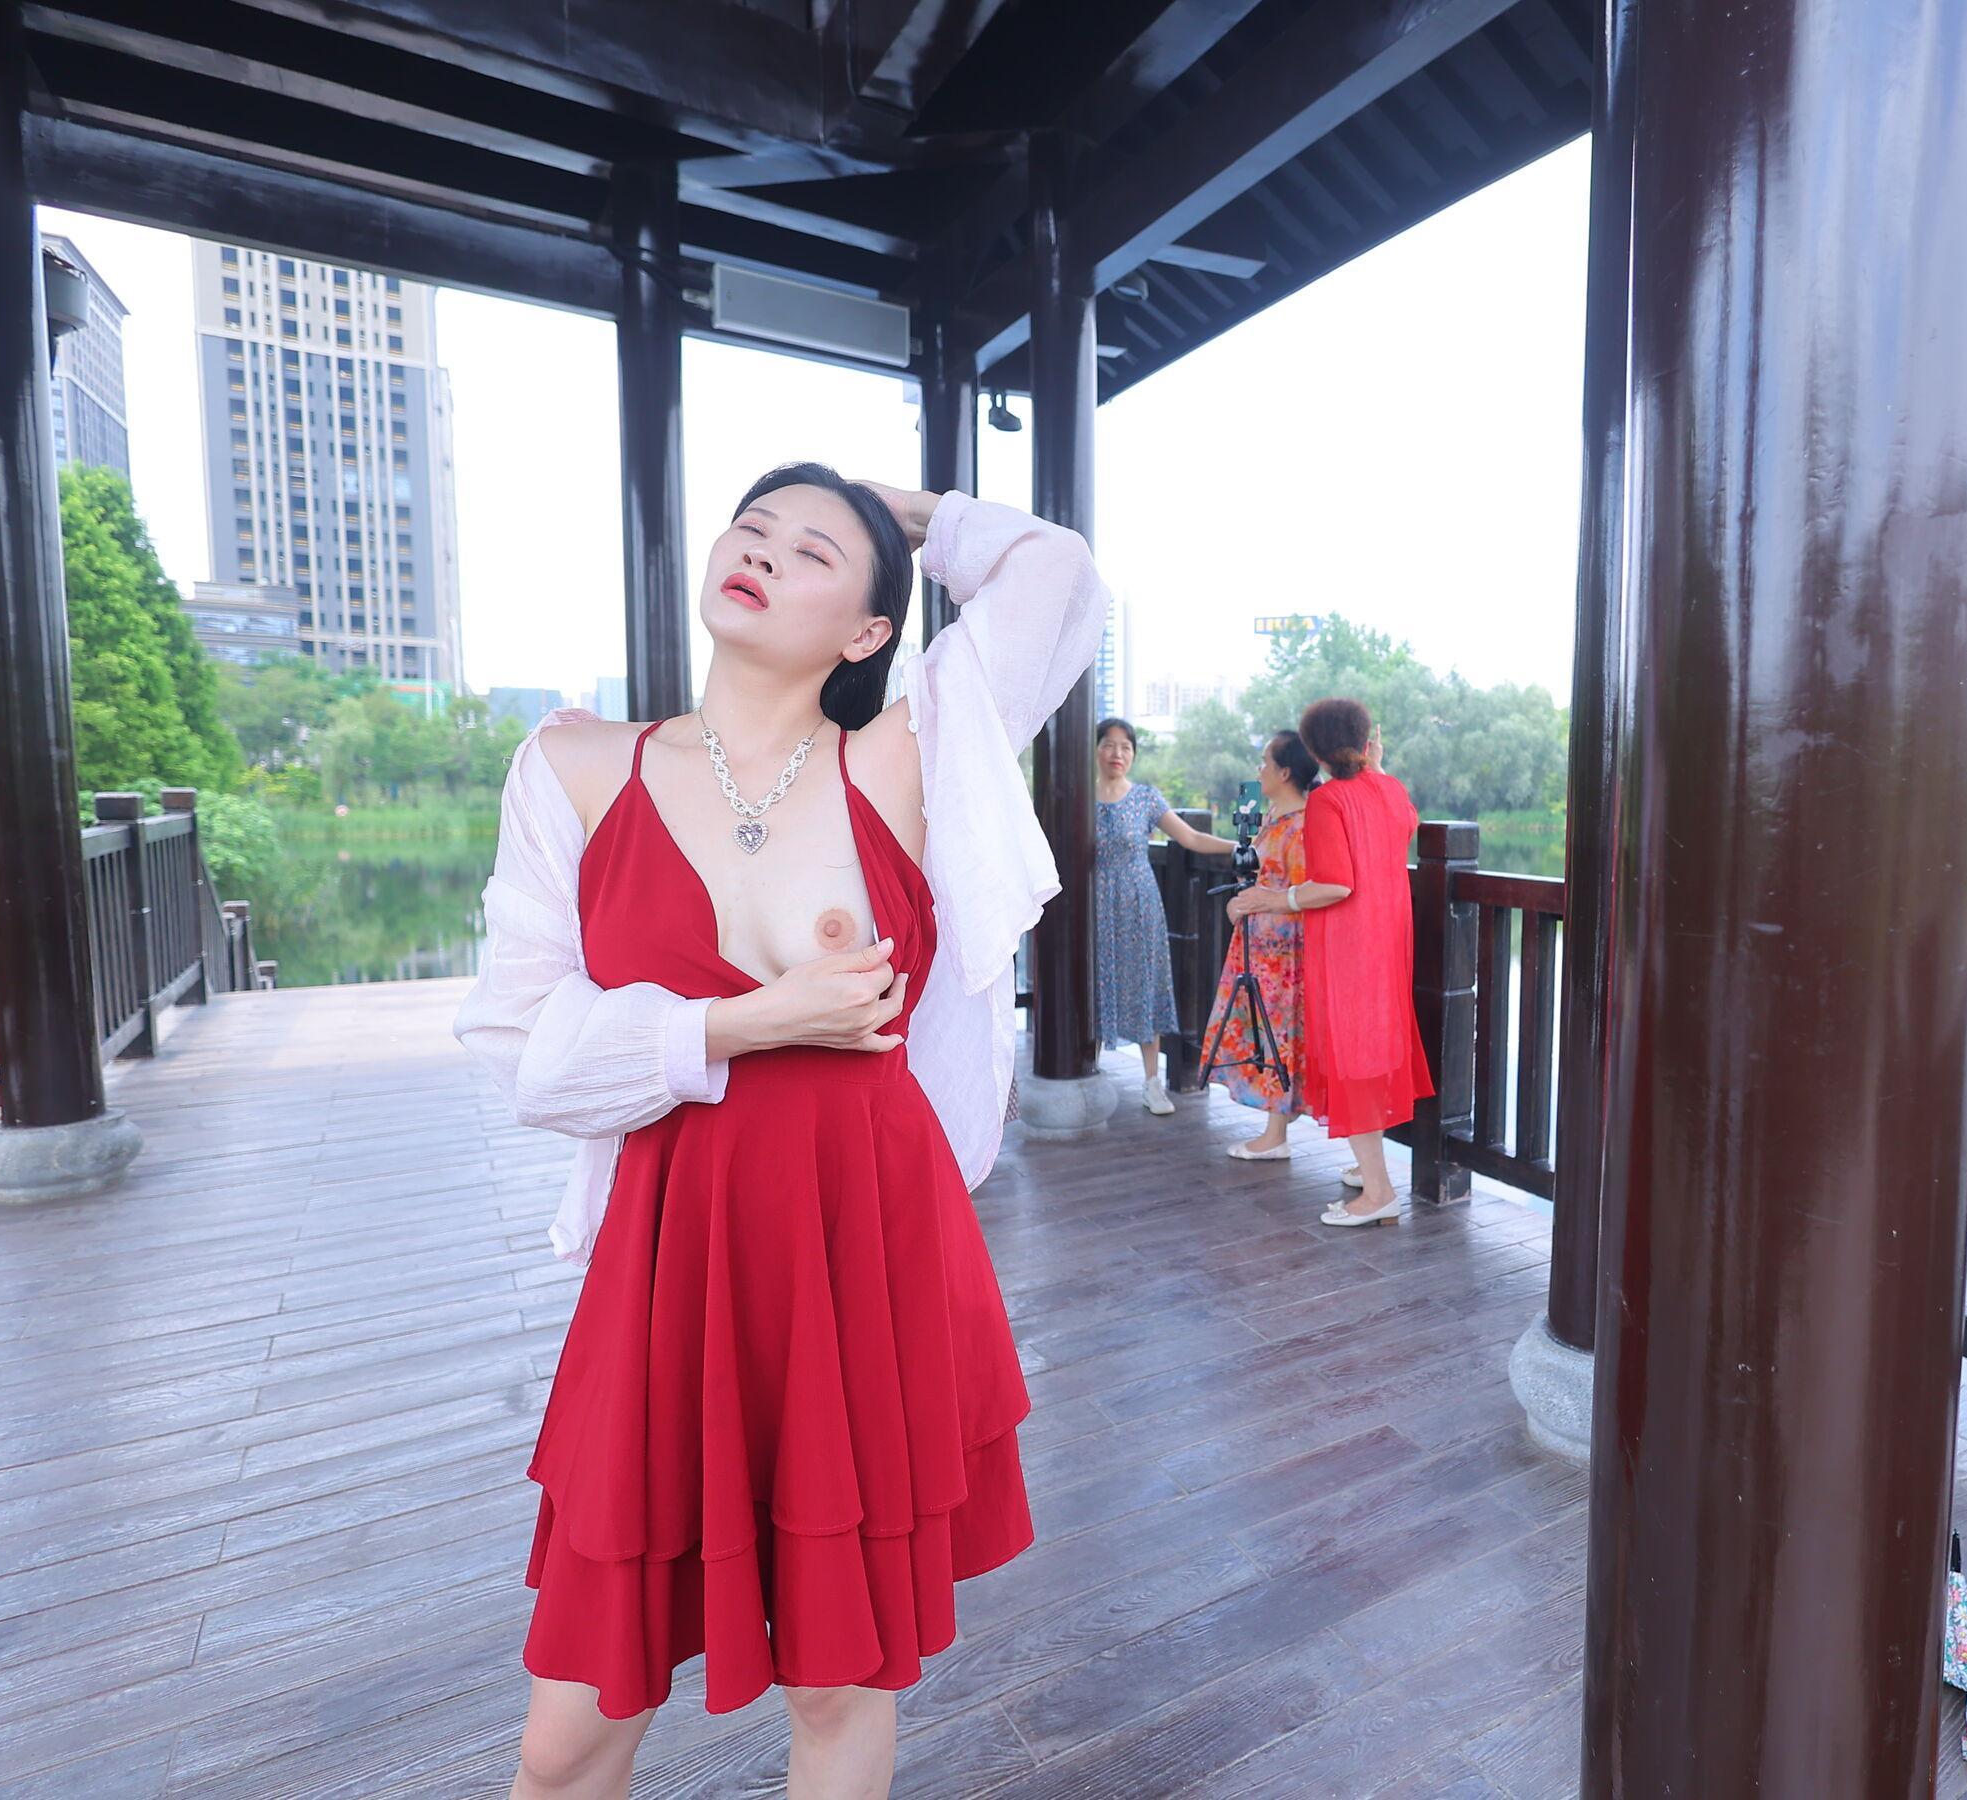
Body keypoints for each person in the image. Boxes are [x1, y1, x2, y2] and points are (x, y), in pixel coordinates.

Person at [453, 463, 1105, 1800]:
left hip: (861, 1241)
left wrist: (914, 518)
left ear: (869, 632)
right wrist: (741, 1024)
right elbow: (518, 1051)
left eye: (813, 552)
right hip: (668, 1248)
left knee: (835, 1686)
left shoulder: (910, 751)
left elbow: (1060, 575)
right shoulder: (574, 765)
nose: (762, 551)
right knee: (567, 1735)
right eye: (752, 528)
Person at [1232, 698, 1432, 1224]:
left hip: (1349, 945)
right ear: (1365, 741)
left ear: (1315, 751)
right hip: (1388, 940)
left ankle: (1379, 1193)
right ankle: (1370, 1172)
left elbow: (1335, 885)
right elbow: (1406, 821)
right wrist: (1378, 767)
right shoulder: (1390, 789)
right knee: (1372, 1053)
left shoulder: (1327, 801)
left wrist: (1273, 898)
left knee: (1352, 1058)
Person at [1093, 716, 1231, 1114]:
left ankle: (1152, 1083)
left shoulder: (1146, 798)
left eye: (1126, 747)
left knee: (1145, 983)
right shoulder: (1079, 798)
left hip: (1139, 904)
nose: (1117, 753)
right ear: (1096, 750)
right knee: (1094, 984)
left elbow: (1191, 837)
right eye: (1109, 744)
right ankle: (1091, 1070)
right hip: (1094, 903)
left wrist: (1243, 845)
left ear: (1133, 755)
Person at [1205, 730, 1325, 1155]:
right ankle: (1277, 1126)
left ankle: (1276, 1136)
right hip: (1259, 943)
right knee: (1266, 1029)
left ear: (1284, 772)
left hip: (1285, 950)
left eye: (1264, 763)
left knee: (1280, 1031)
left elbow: (1303, 889)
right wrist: (1241, 904)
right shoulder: (1273, 816)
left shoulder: (1304, 825)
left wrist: (1259, 903)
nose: (1258, 771)